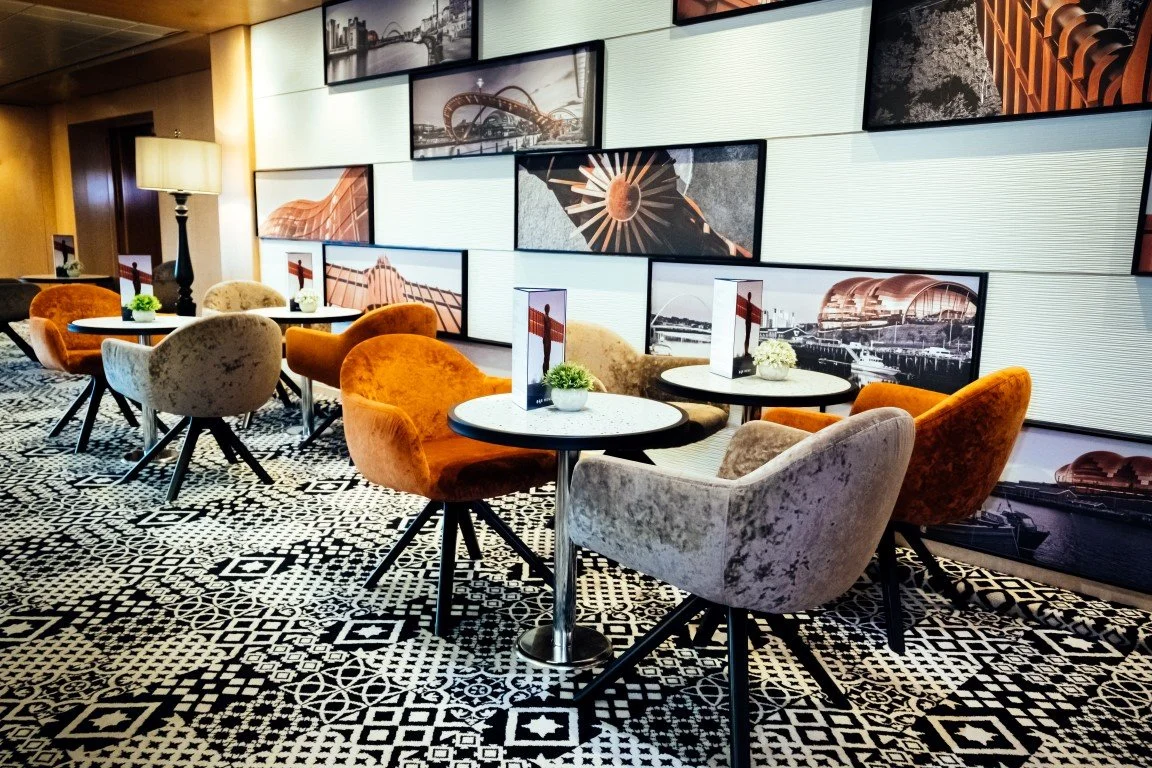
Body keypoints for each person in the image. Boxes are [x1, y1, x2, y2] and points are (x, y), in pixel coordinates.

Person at [541, 303, 553, 380]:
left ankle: (547, 373)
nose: (548, 309)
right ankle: (544, 374)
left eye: (548, 308)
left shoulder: (549, 319)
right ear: (545, 309)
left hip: (549, 338)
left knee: (548, 357)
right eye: (547, 308)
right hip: (546, 338)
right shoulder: (544, 317)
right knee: (545, 357)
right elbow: (544, 328)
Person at [743, 291, 753, 357]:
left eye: (750, 295)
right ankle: (745, 351)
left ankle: (747, 351)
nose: (749, 296)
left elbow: (750, 311)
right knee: (747, 336)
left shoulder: (750, 304)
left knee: (748, 336)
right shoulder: (746, 303)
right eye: (749, 295)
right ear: (748, 296)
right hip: (747, 320)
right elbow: (747, 311)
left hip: (749, 320)